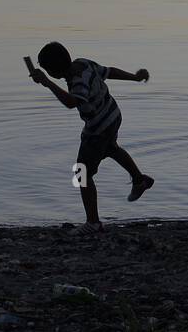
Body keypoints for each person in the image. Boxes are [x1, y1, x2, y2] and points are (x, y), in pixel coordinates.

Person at [29, 41, 153, 232]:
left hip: (98, 127)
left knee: (81, 173)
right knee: (111, 148)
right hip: (113, 115)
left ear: (53, 70)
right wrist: (134, 77)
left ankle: (93, 222)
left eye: (47, 70)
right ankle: (139, 180)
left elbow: (72, 102)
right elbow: (110, 72)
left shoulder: (77, 81)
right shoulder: (83, 63)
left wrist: (46, 83)